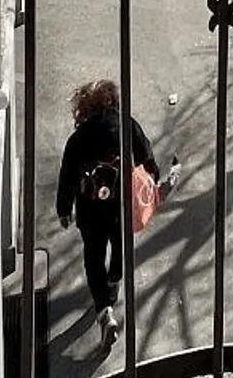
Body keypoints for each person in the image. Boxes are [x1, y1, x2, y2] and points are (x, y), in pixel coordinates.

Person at [56, 80, 172, 352]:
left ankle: (103, 311)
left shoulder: (78, 139)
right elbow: (145, 155)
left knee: (93, 256)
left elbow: (67, 176)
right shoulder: (125, 125)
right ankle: (114, 280)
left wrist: (64, 209)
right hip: (121, 203)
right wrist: (153, 178)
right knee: (120, 243)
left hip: (90, 208)